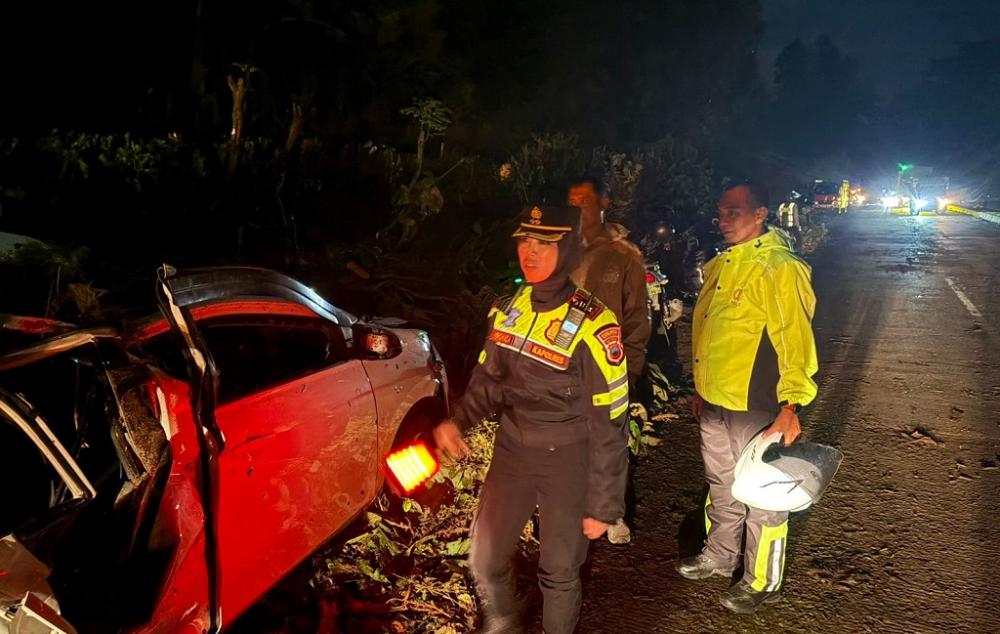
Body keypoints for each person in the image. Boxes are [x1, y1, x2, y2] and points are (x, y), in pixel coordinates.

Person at [433, 205, 630, 634]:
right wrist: (459, 421)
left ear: (569, 250)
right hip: (513, 451)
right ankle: (504, 618)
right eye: (525, 241)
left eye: (545, 243)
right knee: (485, 555)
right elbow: (489, 379)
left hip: (569, 459)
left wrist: (605, 502)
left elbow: (611, 420)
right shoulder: (509, 309)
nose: (531, 251)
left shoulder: (596, 325)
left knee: (559, 571)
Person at [675, 182, 819, 615]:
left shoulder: (780, 267)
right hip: (717, 402)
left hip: (759, 405)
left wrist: (791, 405)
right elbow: (707, 332)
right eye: (721, 212)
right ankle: (720, 556)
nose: (724, 219)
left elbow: (795, 339)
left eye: (735, 211)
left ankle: (761, 580)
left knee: (764, 496)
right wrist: (701, 389)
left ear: (760, 214)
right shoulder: (721, 264)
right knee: (722, 486)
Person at [567, 176, 650, 544]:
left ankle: (612, 512)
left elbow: (636, 315)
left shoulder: (624, 254)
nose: (577, 207)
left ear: (604, 202)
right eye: (571, 200)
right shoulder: (558, 247)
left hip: (608, 364)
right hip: (562, 362)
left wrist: (630, 367)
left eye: (583, 200)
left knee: (609, 440)